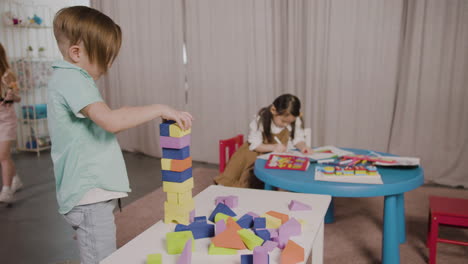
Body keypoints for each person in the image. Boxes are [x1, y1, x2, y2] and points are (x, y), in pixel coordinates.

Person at [48, 6, 192, 264]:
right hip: (89, 195)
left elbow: (112, 114)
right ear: (76, 52)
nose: (109, 64)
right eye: (105, 56)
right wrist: (159, 107)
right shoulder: (72, 79)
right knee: (101, 259)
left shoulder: (72, 78)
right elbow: (111, 121)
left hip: (91, 194)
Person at [214, 93, 313, 188]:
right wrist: (273, 147)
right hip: (255, 152)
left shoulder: (293, 121)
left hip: (275, 155)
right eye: (283, 121)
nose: (285, 125)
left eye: (289, 122)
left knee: (284, 173)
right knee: (248, 177)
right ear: (273, 110)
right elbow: (255, 145)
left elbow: (298, 139)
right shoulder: (261, 120)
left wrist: (303, 147)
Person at [0, 43, 23, 204]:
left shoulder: (8, 75)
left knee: (2, 155)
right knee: (5, 156)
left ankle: (6, 190)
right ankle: (15, 178)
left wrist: (11, 96)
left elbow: (18, 97)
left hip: (7, 120)